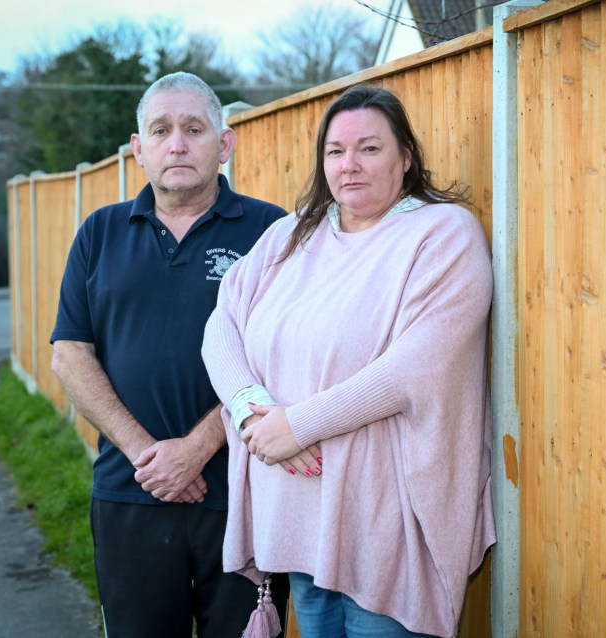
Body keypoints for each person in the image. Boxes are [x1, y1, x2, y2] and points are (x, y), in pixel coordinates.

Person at [201, 84, 496, 638]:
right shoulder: (294, 233)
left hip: (382, 521)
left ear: (405, 157)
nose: (349, 166)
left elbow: (415, 367)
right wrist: (252, 410)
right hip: (298, 518)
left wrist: (298, 425)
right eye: (335, 151)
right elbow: (222, 325)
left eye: (369, 148)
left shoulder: (442, 234)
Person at [50, 72, 290, 638]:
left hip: (245, 497)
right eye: (160, 130)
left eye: (193, 128)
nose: (177, 143)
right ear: (139, 150)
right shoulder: (99, 233)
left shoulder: (271, 232)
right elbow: (71, 356)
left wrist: (198, 448)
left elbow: (285, 360)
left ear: (224, 144)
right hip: (130, 493)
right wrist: (149, 456)